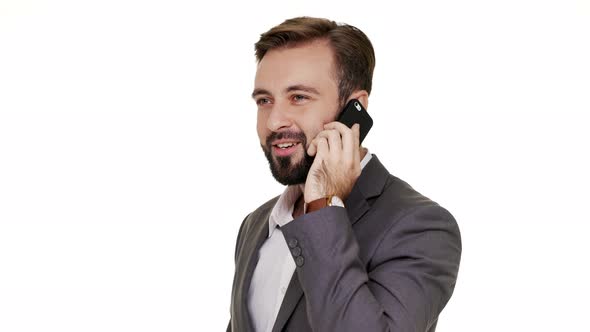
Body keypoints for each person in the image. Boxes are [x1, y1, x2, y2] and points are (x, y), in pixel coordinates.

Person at [227, 16, 461, 332]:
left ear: (354, 110)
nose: (273, 121)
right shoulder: (256, 223)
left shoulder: (421, 226)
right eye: (264, 100)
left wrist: (323, 205)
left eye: (298, 97)